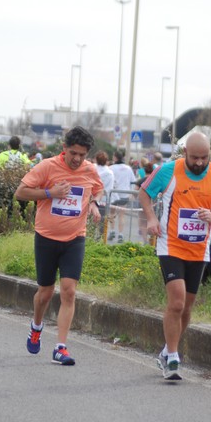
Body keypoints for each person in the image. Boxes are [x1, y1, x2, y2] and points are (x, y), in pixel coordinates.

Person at [139, 131, 211, 380]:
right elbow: (144, 192)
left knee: (187, 308)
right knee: (177, 301)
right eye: (194, 157)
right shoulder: (168, 170)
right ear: (185, 154)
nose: (199, 163)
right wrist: (151, 219)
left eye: (204, 157)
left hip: (198, 248)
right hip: (170, 245)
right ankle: (173, 357)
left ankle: (165, 351)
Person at [14, 126, 103, 366]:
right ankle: (36, 325)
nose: (77, 159)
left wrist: (94, 204)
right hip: (46, 237)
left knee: (69, 291)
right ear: (64, 149)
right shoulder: (47, 166)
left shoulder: (90, 170)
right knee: (44, 293)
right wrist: (49, 192)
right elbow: (20, 192)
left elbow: (97, 189)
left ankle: (60, 347)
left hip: (75, 238)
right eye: (73, 153)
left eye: (82, 155)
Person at [108, 149, 135, 243]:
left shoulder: (111, 168)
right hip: (125, 194)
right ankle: (120, 234)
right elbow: (133, 181)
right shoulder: (128, 168)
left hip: (114, 194)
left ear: (115, 157)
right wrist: (131, 193)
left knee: (112, 213)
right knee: (122, 215)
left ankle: (112, 231)